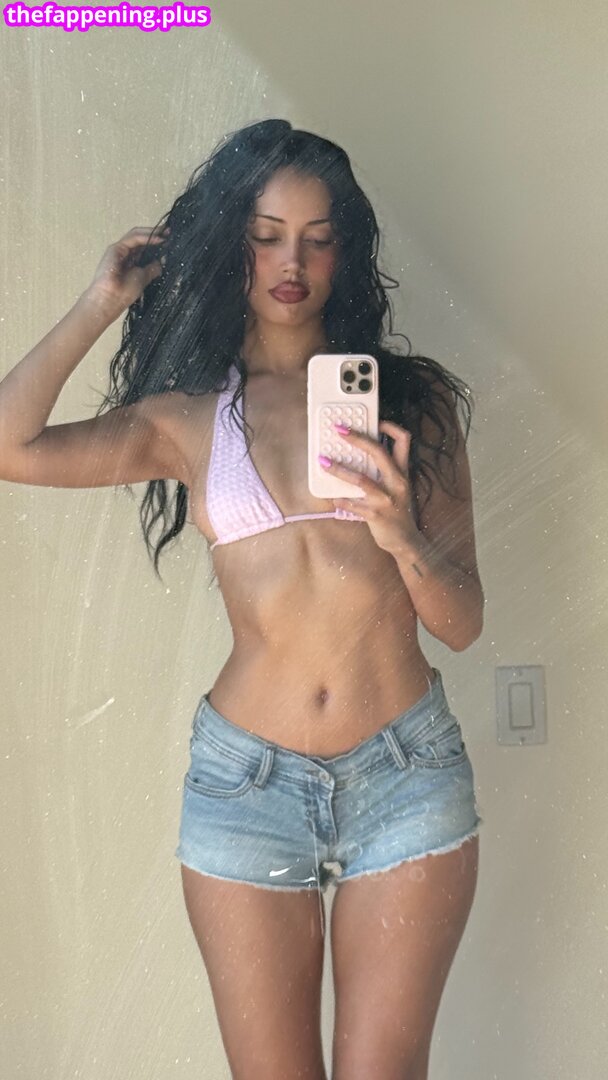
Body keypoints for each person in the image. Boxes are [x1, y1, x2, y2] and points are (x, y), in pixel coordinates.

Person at [0, 119, 484, 1080]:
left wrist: (400, 533)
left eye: (317, 237)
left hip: (406, 774)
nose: (291, 263)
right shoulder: (187, 420)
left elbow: (462, 623)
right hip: (246, 787)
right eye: (266, 236)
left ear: (345, 249)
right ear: (236, 246)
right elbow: (11, 447)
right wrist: (101, 301)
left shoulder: (409, 405)